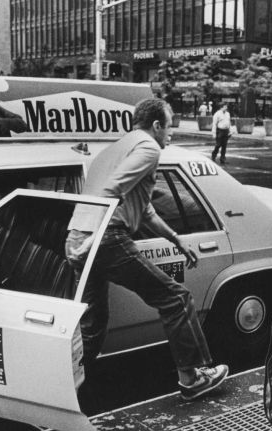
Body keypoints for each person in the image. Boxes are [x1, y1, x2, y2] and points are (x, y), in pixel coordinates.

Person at [65, 98, 228, 401]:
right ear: (156, 125)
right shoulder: (149, 148)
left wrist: (177, 240)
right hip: (104, 239)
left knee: (92, 326)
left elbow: (146, 212)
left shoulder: (116, 148)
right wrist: (93, 242)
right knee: (176, 299)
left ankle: (64, 388)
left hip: (76, 235)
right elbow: (111, 190)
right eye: (170, 125)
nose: (172, 134)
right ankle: (191, 378)